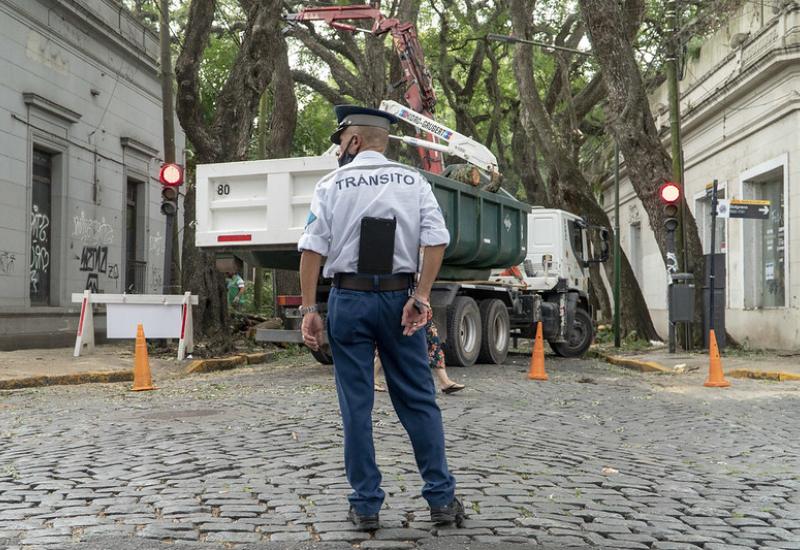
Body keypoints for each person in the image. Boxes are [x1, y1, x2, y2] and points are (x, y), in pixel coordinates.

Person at [298, 105, 464, 531]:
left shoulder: (331, 183)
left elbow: (313, 248)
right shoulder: (414, 181)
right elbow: (436, 239)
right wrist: (422, 297)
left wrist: (310, 310)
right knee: (418, 398)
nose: (338, 149)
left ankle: (366, 506)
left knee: (356, 404)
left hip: (348, 300)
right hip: (399, 301)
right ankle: (442, 501)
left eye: (340, 141)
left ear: (353, 141)